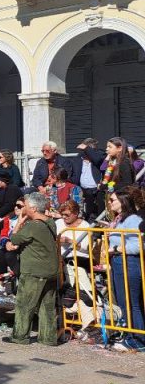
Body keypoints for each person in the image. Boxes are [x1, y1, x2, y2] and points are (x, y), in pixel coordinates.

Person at [4, 192, 60, 346]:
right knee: (47, 306)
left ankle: (20, 336)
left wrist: (19, 222)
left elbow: (14, 238)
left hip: (34, 271)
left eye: (26, 206)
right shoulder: (50, 222)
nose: (24, 209)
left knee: (24, 304)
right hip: (51, 270)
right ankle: (48, 338)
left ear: (34, 208)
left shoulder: (33, 226)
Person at [105, 191, 144, 351]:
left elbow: (138, 245)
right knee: (123, 302)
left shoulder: (133, 219)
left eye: (112, 200)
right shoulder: (119, 219)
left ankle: (139, 340)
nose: (110, 202)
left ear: (122, 201)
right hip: (118, 262)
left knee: (131, 303)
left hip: (129, 262)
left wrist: (115, 249)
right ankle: (130, 336)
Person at [75, 138, 106, 220]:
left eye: (88, 149)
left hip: (97, 188)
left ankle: (99, 222)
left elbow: (97, 159)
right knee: (87, 210)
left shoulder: (100, 155)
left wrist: (87, 149)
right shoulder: (79, 157)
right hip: (83, 189)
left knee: (99, 209)